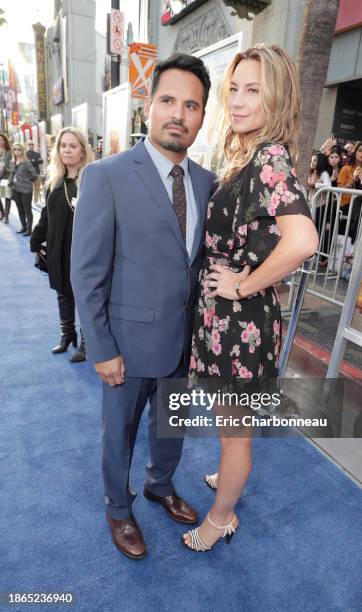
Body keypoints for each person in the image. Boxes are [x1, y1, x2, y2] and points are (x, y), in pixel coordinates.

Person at [71, 53, 215, 560]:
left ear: (201, 116)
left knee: (170, 426)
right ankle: (117, 506)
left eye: (191, 105)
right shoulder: (105, 175)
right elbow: (87, 272)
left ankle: (160, 484)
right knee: (120, 433)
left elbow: (193, 264)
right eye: (168, 100)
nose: (179, 113)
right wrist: (102, 348)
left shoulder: (205, 182)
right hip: (126, 349)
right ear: (148, 107)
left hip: (181, 342)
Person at [182, 44, 318, 552]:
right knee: (232, 424)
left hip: (239, 318)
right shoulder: (254, 153)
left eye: (253, 90)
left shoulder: (271, 156)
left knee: (234, 431)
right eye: (234, 88)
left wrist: (242, 283)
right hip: (236, 317)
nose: (237, 101)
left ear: (276, 96)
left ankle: (221, 518)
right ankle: (229, 473)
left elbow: (303, 240)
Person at [30, 128, 93, 362]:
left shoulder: (91, 179)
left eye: (72, 146)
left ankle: (87, 343)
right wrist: (36, 240)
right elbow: (46, 215)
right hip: (57, 247)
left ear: (83, 151)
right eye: (63, 145)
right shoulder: (54, 181)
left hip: (82, 249)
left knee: (84, 295)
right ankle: (67, 336)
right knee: (63, 295)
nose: (67, 150)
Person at [337, 141, 362, 241]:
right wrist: (353, 180)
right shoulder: (346, 168)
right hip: (345, 208)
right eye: (360, 150)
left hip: (360, 210)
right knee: (341, 239)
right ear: (354, 152)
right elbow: (339, 190)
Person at [8, 142, 38, 236]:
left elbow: (34, 174)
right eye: (15, 149)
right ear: (13, 151)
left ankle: (29, 229)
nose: (17, 151)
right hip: (15, 189)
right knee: (20, 209)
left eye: (19, 149)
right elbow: (12, 174)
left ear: (22, 150)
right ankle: (23, 227)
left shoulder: (26, 162)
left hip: (26, 190)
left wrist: (26, 181)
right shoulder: (12, 161)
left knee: (27, 209)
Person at [0, 132, 12, 223]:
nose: (0, 141)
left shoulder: (9, 152)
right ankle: (2, 212)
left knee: (6, 195)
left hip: (5, 176)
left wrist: (7, 169)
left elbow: (12, 165)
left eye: (2, 140)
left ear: (5, 141)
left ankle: (6, 216)